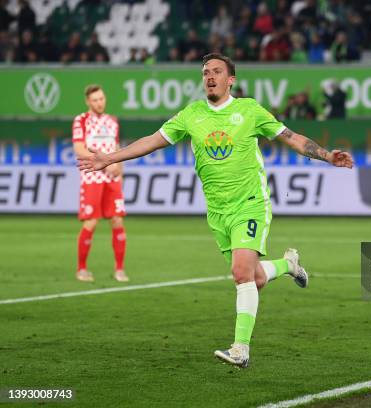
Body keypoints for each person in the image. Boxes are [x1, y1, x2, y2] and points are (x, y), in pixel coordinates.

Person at [77, 53, 354, 368]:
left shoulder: (249, 110)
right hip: (217, 212)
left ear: (230, 79)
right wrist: (109, 158)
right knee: (256, 278)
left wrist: (326, 155)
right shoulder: (191, 115)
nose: (210, 76)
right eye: (205, 72)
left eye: (217, 71)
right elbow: (152, 141)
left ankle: (240, 349)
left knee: (240, 274)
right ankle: (289, 265)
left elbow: (291, 138)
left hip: (250, 203)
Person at [72, 85, 128, 283]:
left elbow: (117, 147)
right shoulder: (81, 120)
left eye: (101, 98)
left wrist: (119, 167)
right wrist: (103, 162)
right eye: (95, 100)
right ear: (88, 102)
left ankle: (120, 269)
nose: (99, 102)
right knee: (92, 221)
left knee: (117, 220)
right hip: (92, 176)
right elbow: (79, 149)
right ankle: (81, 269)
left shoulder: (112, 121)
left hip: (112, 177)